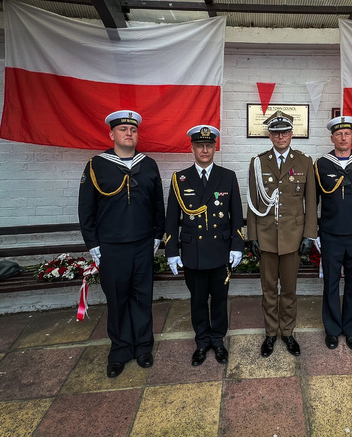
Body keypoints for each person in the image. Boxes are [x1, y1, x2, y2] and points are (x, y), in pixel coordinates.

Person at [78, 110, 165, 378]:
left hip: (142, 244)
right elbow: (86, 208)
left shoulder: (148, 164)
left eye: (133, 129)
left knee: (142, 298)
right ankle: (120, 350)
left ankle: (143, 347)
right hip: (112, 247)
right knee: (117, 299)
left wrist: (157, 237)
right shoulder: (96, 165)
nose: (129, 133)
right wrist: (93, 243)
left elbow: (158, 206)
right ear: (111, 134)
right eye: (123, 129)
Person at [164, 125, 245, 366]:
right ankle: (202, 342)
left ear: (214, 148)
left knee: (220, 299)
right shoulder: (180, 179)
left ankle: (218, 340)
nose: (205, 150)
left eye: (209, 145)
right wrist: (171, 251)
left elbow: (236, 215)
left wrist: (237, 246)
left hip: (220, 251)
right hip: (193, 252)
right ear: (192, 148)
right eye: (200, 145)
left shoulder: (227, 176)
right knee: (198, 300)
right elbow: (171, 219)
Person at [247, 111, 317, 357]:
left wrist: (309, 235)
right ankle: (270, 333)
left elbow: (311, 202)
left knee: (288, 289)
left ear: (291, 134)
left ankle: (287, 333)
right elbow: (253, 203)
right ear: (270, 135)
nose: (280, 136)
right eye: (276, 132)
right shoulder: (257, 162)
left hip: (293, 237)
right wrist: (252, 236)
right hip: (266, 237)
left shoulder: (304, 162)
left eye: (285, 132)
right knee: (268, 290)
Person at [314, 115, 352, 351]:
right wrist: (315, 233)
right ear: (332, 138)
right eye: (338, 134)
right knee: (330, 284)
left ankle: (351, 330)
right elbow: (314, 202)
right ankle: (332, 329)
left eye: (347, 134)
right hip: (330, 234)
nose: (343, 137)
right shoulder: (321, 164)